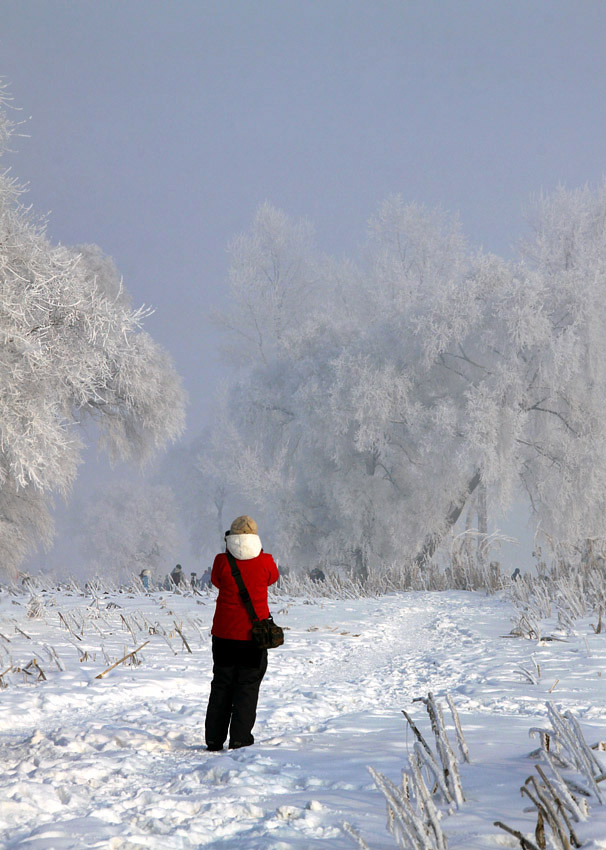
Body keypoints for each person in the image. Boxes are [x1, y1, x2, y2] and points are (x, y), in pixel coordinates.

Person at [205, 515, 279, 751]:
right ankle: (240, 738)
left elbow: (216, 581)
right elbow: (272, 578)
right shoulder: (266, 560)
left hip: (224, 635)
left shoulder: (221, 561)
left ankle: (214, 739)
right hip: (253, 637)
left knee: (222, 685)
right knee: (247, 687)